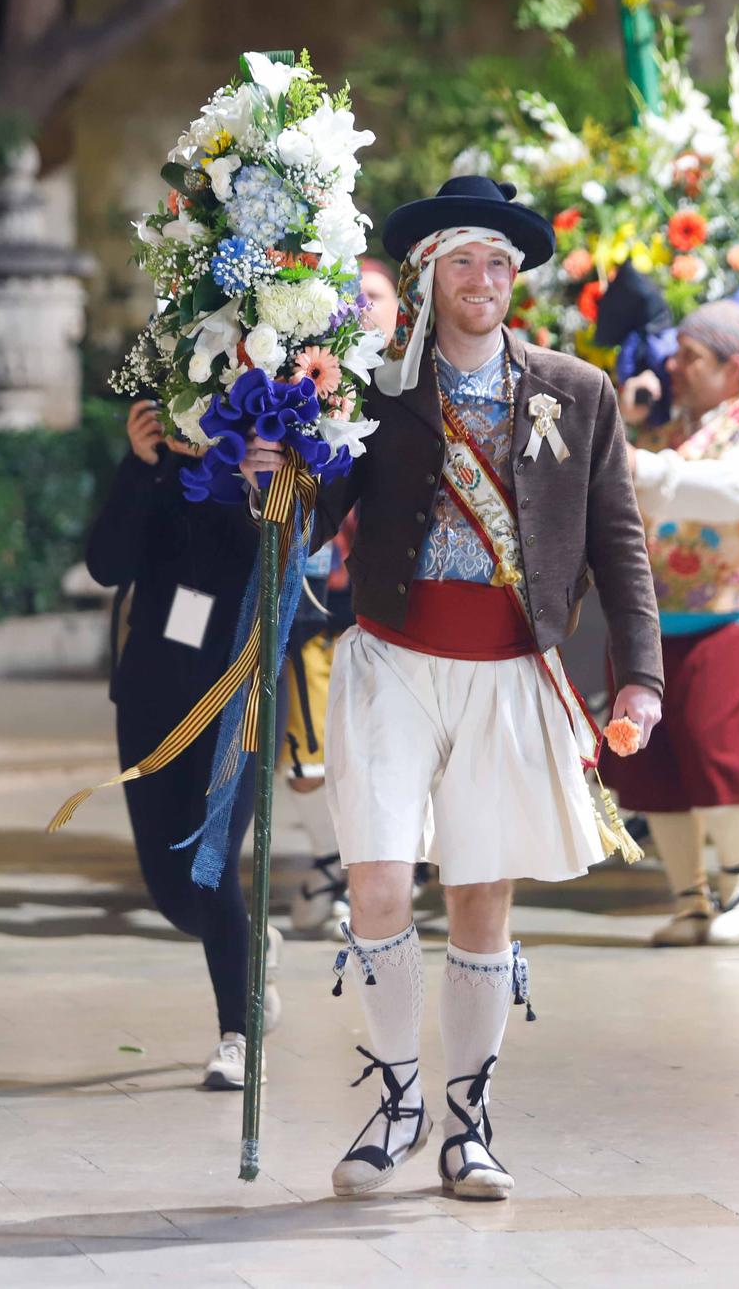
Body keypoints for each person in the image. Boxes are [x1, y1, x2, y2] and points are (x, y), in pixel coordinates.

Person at [239, 174, 662, 1202]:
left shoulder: (576, 390)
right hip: (387, 662)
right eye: (463, 260)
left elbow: (620, 542)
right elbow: (313, 501)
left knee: (480, 895)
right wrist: (273, 473)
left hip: (510, 673)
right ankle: (395, 1100)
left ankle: (468, 1117)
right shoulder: (375, 390)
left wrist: (639, 679)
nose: (484, 279)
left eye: (500, 263)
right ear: (428, 273)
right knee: (379, 881)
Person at [84, 398, 281, 1090]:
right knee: (171, 891)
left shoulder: (264, 463)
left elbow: (286, 559)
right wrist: (142, 466)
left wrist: (247, 476)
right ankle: (250, 949)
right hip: (150, 692)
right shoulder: (154, 465)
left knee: (210, 863)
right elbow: (105, 563)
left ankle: (238, 1032)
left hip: (236, 694)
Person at [604, 301, 739, 947]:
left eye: (691, 357)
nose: (674, 366)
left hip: (724, 618)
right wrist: (625, 422)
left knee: (722, 754)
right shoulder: (668, 423)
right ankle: (689, 900)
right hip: (649, 622)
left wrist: (644, 464)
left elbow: (737, 490)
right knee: (652, 766)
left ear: (733, 366)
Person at [283, 258, 397, 941]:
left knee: (382, 761)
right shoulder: (306, 379)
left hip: (392, 610)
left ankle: (358, 880)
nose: (361, 304)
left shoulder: (415, 384)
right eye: (350, 294)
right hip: (316, 601)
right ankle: (332, 863)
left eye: (374, 294)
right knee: (308, 761)